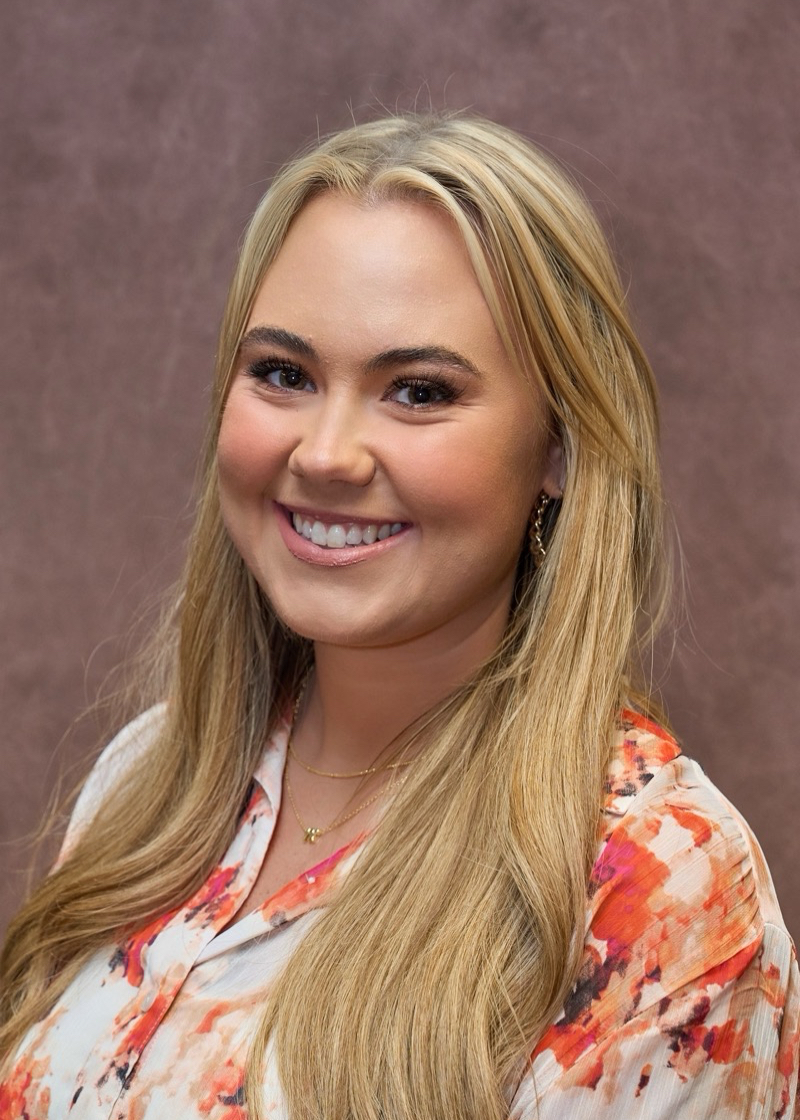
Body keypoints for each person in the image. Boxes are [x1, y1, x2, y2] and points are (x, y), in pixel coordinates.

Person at [0, 112, 797, 1120]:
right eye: (283, 374)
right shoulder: (149, 779)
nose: (326, 452)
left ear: (556, 448)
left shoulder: (653, 886)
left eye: (417, 391)